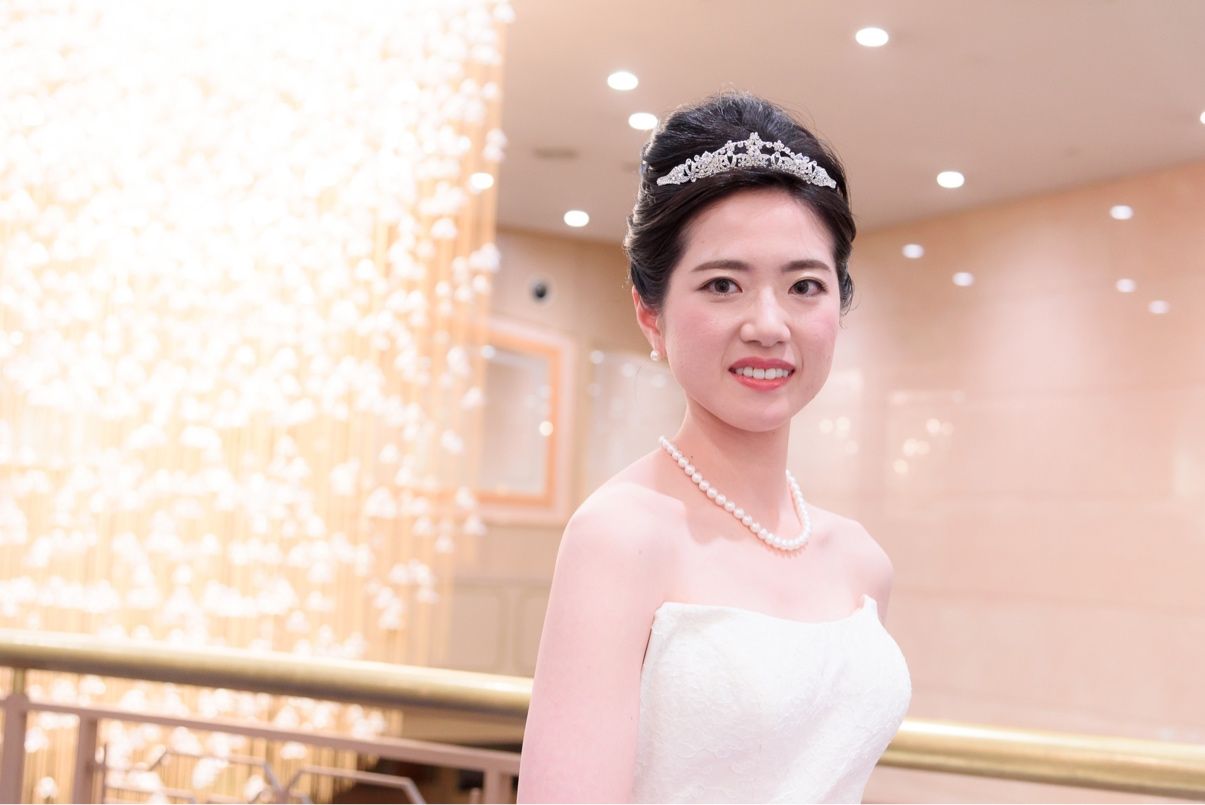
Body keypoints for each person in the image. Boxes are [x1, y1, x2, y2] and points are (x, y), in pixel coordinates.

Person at [516, 91, 912, 804]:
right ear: (651, 313)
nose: (769, 325)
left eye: (804, 285)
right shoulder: (620, 536)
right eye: (723, 284)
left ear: (839, 305)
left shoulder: (862, 563)